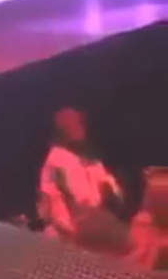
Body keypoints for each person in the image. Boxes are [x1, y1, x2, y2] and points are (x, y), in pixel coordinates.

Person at [37, 107, 157, 267]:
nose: (80, 127)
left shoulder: (92, 159)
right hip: (79, 233)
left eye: (79, 122)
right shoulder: (56, 161)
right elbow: (55, 200)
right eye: (73, 124)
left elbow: (113, 191)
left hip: (102, 225)